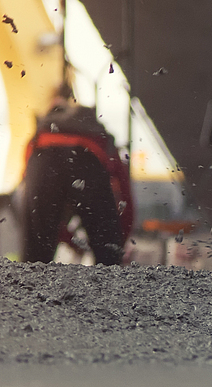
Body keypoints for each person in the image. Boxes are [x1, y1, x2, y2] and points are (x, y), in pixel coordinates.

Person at [18, 84, 132, 265]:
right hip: (88, 162)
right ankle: (111, 284)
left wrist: (69, 239)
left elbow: (34, 205)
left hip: (43, 162)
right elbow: (125, 197)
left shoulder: (38, 138)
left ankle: (27, 290)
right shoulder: (99, 135)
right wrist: (117, 245)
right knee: (108, 258)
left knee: (35, 261)